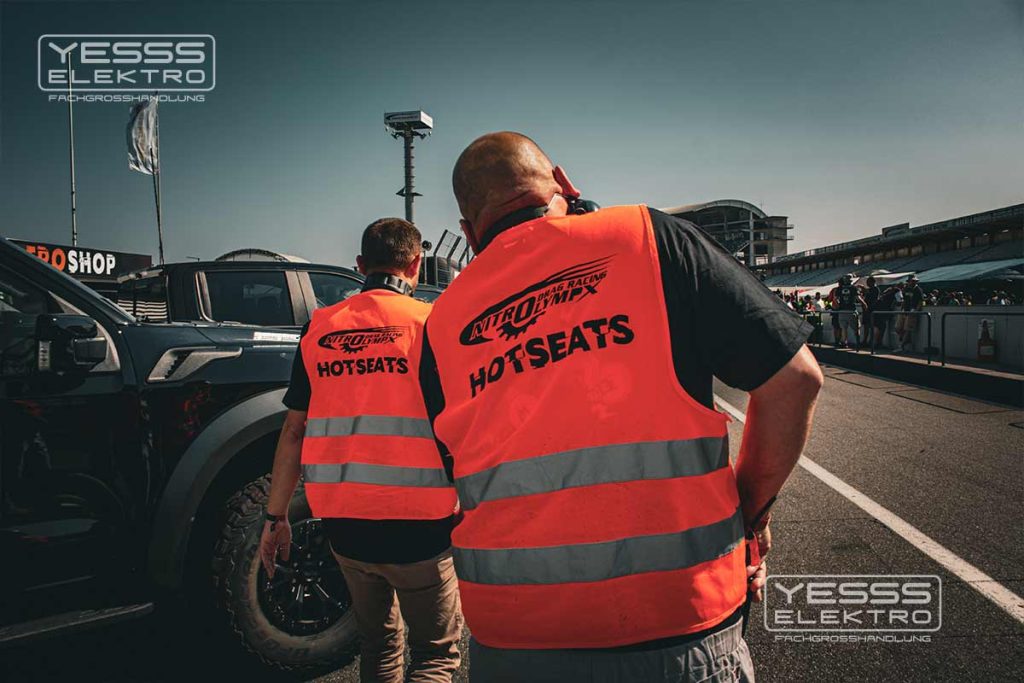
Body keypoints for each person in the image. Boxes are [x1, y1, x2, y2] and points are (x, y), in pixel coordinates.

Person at [419, 132, 823, 682]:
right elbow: (794, 380)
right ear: (563, 183)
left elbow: (454, 472)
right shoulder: (647, 237)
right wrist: (747, 515)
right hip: (677, 621)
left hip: (513, 638)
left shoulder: (441, 323)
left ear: (468, 232)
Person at [260, 218, 462, 683]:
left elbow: (293, 431)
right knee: (434, 657)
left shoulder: (320, 328)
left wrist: (276, 517)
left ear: (359, 265)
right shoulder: (430, 323)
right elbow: (455, 423)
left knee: (379, 645)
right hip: (420, 525)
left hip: (345, 524)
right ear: (415, 264)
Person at [832, 274, 866, 349]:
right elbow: (858, 298)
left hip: (842, 311)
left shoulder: (839, 289)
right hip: (851, 310)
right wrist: (864, 305)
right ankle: (857, 343)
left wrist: (838, 306)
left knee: (843, 328)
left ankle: (844, 343)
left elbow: (835, 299)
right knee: (856, 328)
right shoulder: (853, 288)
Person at [895, 275, 925, 352]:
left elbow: (921, 301)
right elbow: (904, 300)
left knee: (907, 329)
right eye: (912, 281)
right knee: (897, 328)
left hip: (912, 310)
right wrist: (902, 308)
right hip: (904, 310)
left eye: (914, 281)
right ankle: (907, 340)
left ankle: (902, 345)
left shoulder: (918, 290)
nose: (913, 283)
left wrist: (916, 311)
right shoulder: (906, 289)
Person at [862, 276, 880, 347]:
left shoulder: (875, 289)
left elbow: (874, 299)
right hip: (866, 310)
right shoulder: (869, 290)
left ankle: (871, 341)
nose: (867, 283)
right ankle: (865, 340)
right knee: (866, 326)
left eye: (868, 282)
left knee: (872, 326)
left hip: (871, 310)